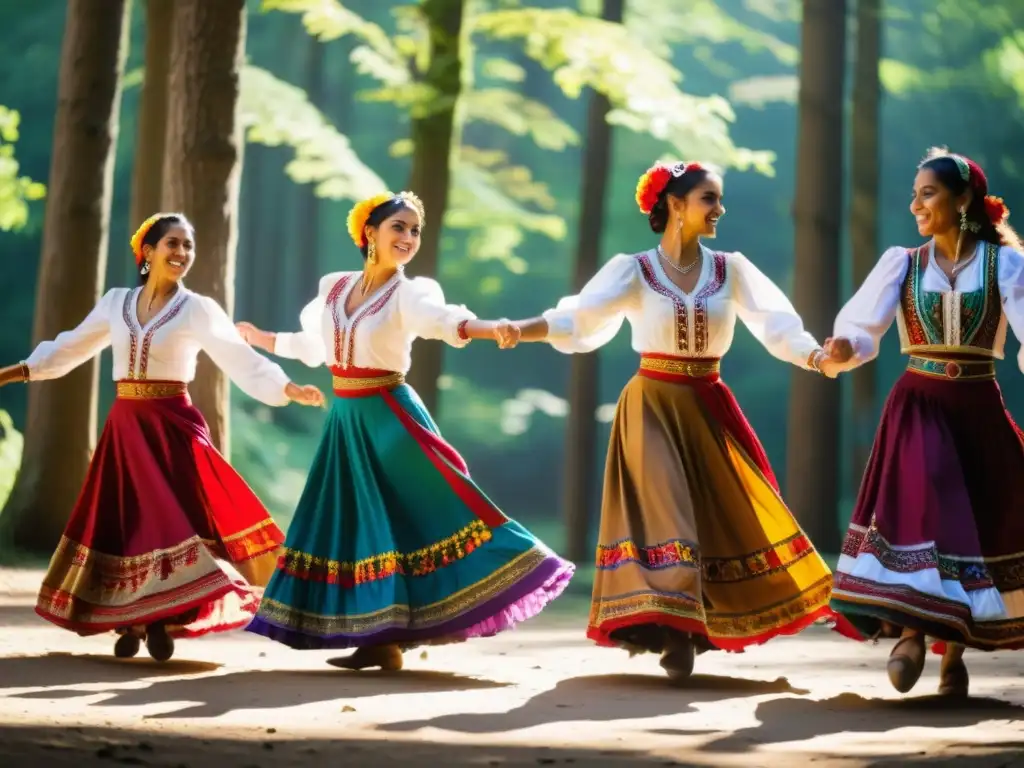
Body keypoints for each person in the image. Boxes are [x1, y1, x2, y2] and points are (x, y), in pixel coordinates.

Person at [499, 161, 839, 681]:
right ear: (675, 204)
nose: (719, 209)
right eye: (709, 199)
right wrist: (518, 330)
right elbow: (578, 319)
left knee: (716, 518)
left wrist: (817, 357)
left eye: (718, 199)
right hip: (651, 405)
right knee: (669, 512)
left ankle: (693, 626)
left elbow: (777, 324)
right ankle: (674, 632)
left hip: (707, 404)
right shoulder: (634, 270)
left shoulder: (732, 269)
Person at [237, 191, 574, 671]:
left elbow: (447, 322)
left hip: (391, 416)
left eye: (415, 230)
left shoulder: (410, 293)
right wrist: (262, 340)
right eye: (399, 227)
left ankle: (411, 623)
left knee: (413, 516)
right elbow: (315, 345)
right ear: (369, 232)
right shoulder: (334, 287)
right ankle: (381, 638)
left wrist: (491, 326)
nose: (409, 238)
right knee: (357, 525)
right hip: (346, 419)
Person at [0, 213, 325, 662]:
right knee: (130, 525)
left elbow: (238, 357)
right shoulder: (116, 303)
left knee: (170, 525)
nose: (181, 253)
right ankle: (134, 617)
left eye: (188, 246)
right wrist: (15, 372)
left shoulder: (198, 308)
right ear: (146, 252)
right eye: (172, 243)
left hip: (173, 427)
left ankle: (158, 620)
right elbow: (71, 345)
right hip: (126, 427)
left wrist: (286, 388)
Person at [825, 148, 1024, 697]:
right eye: (914, 193)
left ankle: (951, 653)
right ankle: (911, 633)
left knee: (975, 522)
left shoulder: (1005, 264)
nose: (915, 204)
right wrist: (846, 345)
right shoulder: (903, 262)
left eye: (928, 193)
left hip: (978, 405)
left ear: (963, 203)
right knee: (928, 506)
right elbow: (863, 329)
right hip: (919, 405)